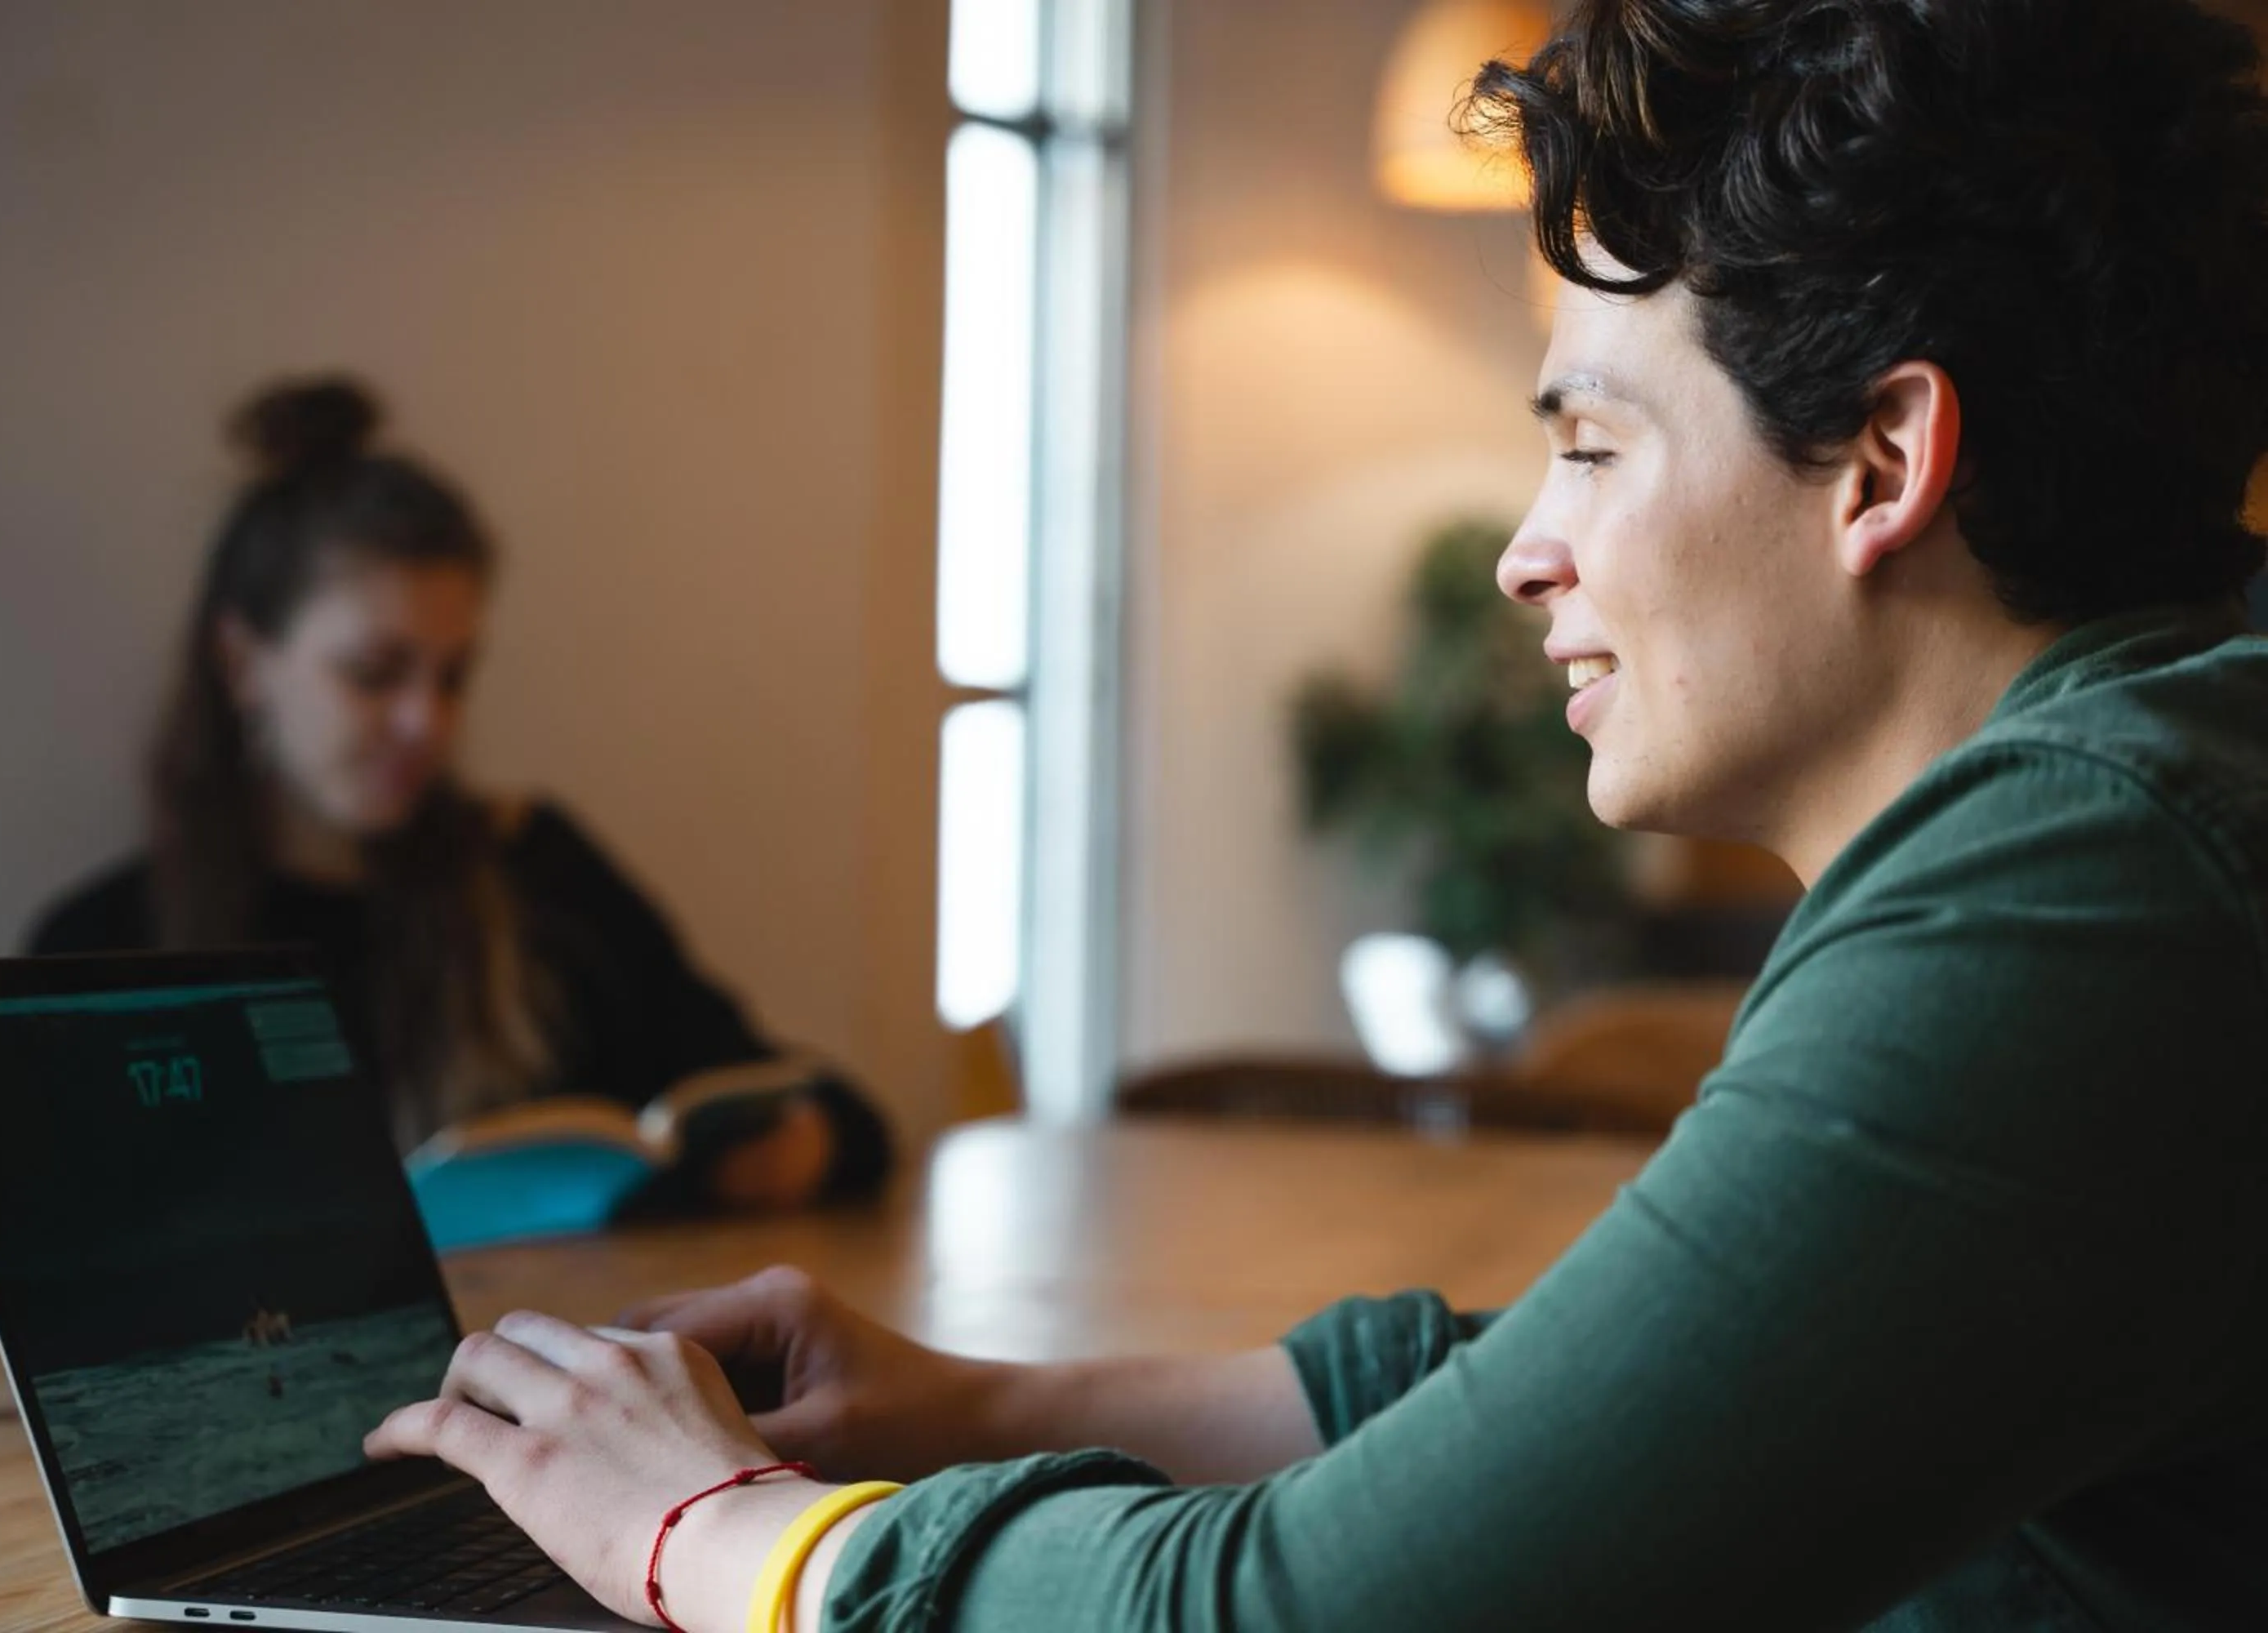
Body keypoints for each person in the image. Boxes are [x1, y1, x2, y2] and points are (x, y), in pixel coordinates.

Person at [363, 0, 2268, 1626]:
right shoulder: (2144, 803)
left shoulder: (2096, 882)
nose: (1527, 552)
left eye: (1590, 444)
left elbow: (1312, 1614)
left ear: (1877, 461)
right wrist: (972, 1406)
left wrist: (715, 1536)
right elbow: (1595, 1415)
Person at [29, 378, 891, 1216]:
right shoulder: (102, 951)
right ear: (244, 662)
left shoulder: (537, 869)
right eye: (375, 673)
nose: (425, 722)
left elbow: (816, 1106)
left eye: (453, 676)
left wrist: (797, 1150)